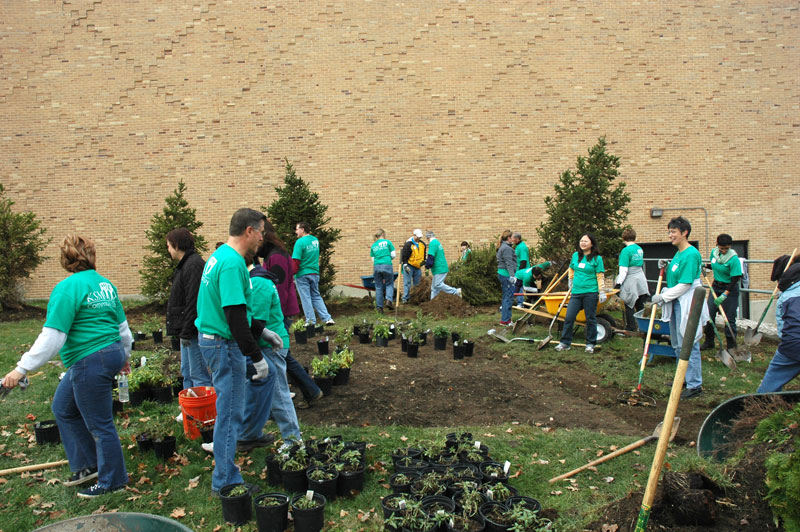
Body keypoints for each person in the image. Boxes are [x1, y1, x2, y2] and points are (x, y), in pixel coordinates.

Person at [2, 234, 132, 498]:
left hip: (89, 360)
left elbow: (53, 337)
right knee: (63, 407)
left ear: (65, 260)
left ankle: (113, 481)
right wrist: (125, 356)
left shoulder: (67, 288)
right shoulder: (105, 285)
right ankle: (87, 466)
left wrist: (21, 369)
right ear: (92, 256)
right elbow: (123, 330)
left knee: (100, 424)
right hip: (109, 354)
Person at [195, 208, 283, 494]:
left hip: (212, 339)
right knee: (230, 412)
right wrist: (257, 358)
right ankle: (225, 481)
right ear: (248, 231)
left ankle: (226, 473)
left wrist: (262, 330)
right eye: (260, 231)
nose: (262, 238)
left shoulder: (220, 256)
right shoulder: (233, 264)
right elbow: (233, 318)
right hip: (222, 344)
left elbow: (236, 311)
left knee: (228, 410)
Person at [255, 222, 322, 409]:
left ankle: (309, 391)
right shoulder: (274, 254)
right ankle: (310, 391)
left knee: (282, 355)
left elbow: (279, 289)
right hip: (281, 312)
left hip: (280, 314)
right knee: (284, 354)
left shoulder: (275, 256)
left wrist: (272, 315)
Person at [239, 255, 302, 450]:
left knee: (279, 395)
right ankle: (247, 435)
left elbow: (256, 323)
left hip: (271, 346)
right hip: (266, 345)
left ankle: (293, 442)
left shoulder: (257, 283)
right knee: (260, 390)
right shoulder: (256, 280)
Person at [650, 216, 710, 400]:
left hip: (687, 302)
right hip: (676, 302)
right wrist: (667, 266)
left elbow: (685, 284)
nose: (670, 235)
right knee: (677, 343)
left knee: (688, 343)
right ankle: (682, 377)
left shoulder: (691, 254)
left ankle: (695, 384)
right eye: (669, 232)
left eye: (673, 232)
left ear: (684, 233)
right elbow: (678, 271)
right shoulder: (679, 253)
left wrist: (662, 296)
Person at [166, 228, 211, 393]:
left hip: (192, 330)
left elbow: (194, 301)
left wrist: (186, 331)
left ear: (177, 245)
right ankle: (188, 408)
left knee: (198, 373)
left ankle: (205, 412)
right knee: (187, 371)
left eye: (169, 246)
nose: (168, 251)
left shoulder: (193, 265)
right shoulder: (186, 264)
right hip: (186, 329)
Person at [555, 233, 606, 354]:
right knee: (569, 317)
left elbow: (600, 275)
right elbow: (571, 268)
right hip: (576, 292)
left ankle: (590, 344)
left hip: (590, 292)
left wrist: (602, 291)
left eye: (586, 241)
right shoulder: (576, 256)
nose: (583, 243)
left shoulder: (597, 258)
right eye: (581, 241)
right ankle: (565, 343)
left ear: (592, 244)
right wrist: (570, 281)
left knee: (590, 319)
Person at [757, 256, 800, 392]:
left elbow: (795, 325)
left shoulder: (792, 295)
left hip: (793, 345)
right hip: (793, 344)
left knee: (767, 391)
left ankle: (763, 404)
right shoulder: (792, 294)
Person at [701, 234, 743, 351]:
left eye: (726, 249)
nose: (723, 251)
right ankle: (709, 341)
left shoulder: (733, 259)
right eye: (721, 248)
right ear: (717, 245)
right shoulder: (714, 253)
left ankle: (731, 346)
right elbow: (715, 265)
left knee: (729, 318)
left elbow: (736, 277)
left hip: (729, 288)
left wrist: (726, 293)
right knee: (709, 314)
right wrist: (705, 266)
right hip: (716, 286)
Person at [292, 222, 335, 326]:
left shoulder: (299, 242)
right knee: (316, 296)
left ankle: (310, 321)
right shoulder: (315, 240)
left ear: (302, 229)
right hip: (314, 273)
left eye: (297, 229)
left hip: (302, 274)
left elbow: (296, 261)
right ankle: (327, 318)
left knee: (305, 297)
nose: (296, 232)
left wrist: (293, 274)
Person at [615, 228, 650, 332]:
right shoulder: (639, 248)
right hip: (641, 277)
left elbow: (624, 270)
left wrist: (618, 284)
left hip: (631, 278)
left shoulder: (625, 250)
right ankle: (643, 327)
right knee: (640, 304)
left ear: (623, 238)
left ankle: (631, 327)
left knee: (628, 303)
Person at [426, 230, 461, 300]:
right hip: (441, 267)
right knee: (434, 288)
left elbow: (431, 257)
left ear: (428, 237)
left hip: (440, 268)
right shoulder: (437, 242)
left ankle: (456, 291)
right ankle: (433, 302)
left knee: (437, 284)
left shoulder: (432, 243)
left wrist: (427, 266)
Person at [370, 229, 396, 312]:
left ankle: (379, 307)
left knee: (378, 286)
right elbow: (393, 255)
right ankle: (388, 300)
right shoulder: (388, 242)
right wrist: (388, 259)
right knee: (389, 284)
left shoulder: (373, 246)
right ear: (383, 234)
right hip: (387, 265)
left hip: (377, 266)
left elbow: (373, 259)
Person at [496, 230, 517, 326]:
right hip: (506, 275)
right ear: (508, 238)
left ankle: (507, 319)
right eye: (512, 237)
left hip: (503, 274)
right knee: (508, 297)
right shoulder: (507, 249)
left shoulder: (503, 247)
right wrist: (512, 276)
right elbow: (509, 263)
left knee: (506, 296)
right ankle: (505, 320)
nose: (513, 239)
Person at [400, 229, 426, 303]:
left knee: (417, 283)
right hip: (409, 265)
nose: (419, 238)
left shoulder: (422, 244)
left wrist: (424, 262)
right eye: (417, 236)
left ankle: (415, 298)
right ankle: (405, 298)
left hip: (418, 266)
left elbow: (424, 255)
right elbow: (404, 255)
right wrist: (405, 264)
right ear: (414, 235)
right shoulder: (408, 244)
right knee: (407, 282)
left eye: (420, 237)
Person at [511, 232, 530, 306]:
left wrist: (520, 272)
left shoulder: (522, 247)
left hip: (523, 270)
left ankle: (520, 303)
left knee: (520, 286)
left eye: (513, 238)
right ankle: (520, 302)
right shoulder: (518, 246)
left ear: (517, 239)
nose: (512, 240)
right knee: (518, 286)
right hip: (518, 270)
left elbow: (523, 260)